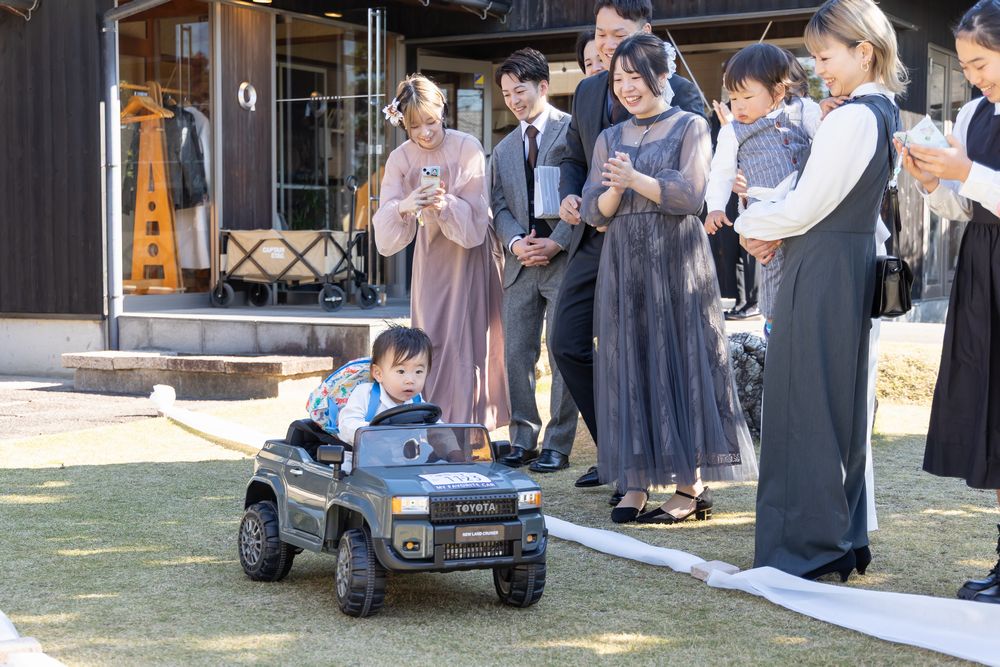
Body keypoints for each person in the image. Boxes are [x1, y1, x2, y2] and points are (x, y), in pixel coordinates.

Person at [735, 0, 905, 580]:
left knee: (803, 402)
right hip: (845, 260)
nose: (818, 69)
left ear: (865, 52)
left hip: (823, 262)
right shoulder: (880, 112)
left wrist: (750, 225)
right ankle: (839, 538)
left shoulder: (853, 118)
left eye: (826, 57)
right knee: (836, 405)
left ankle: (809, 546)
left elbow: (807, 204)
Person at [580, 33, 758, 524]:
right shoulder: (609, 137)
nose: (626, 88)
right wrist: (615, 189)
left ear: (661, 76)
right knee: (629, 361)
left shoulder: (690, 125)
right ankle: (635, 480)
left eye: (635, 77)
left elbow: (690, 197)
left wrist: (635, 180)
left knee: (681, 357)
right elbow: (595, 210)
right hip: (624, 261)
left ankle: (690, 485)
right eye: (618, 79)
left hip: (676, 258)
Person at [551, 0, 706, 485]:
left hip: (660, 242)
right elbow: (574, 156)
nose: (606, 43)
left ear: (646, 31)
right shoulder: (588, 88)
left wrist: (630, 189)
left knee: (658, 349)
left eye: (617, 33)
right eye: (600, 33)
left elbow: (692, 177)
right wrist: (573, 196)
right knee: (566, 341)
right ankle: (620, 452)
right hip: (597, 237)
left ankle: (665, 466)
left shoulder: (681, 92)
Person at [903, 0, 1000, 605]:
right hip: (984, 269)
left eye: (981, 63)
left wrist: (967, 170)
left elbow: (978, 181)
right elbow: (963, 208)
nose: (972, 76)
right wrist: (933, 181)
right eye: (965, 66)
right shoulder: (972, 112)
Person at [372, 75, 510, 431]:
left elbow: (477, 217)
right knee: (428, 339)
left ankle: (468, 430)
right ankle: (430, 425)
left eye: (430, 122)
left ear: (443, 112)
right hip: (430, 255)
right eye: (414, 126)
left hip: (470, 255)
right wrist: (406, 205)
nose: (425, 133)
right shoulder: (400, 158)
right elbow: (385, 231)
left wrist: (445, 202)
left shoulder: (467, 146)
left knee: (466, 341)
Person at [490, 49, 579, 469]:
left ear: (543, 86)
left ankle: (558, 444)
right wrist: (514, 243)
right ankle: (522, 438)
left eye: (519, 90)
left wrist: (557, 242)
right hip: (519, 265)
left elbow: (587, 192)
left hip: (564, 260)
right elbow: (498, 205)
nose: (513, 100)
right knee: (516, 355)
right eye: (506, 93)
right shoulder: (504, 148)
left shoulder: (573, 131)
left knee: (562, 352)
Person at [704, 43, 822, 337]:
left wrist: (829, 110)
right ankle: (773, 321)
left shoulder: (801, 111)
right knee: (771, 261)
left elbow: (824, 134)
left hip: (804, 201)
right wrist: (715, 207)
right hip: (765, 206)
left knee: (807, 264)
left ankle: (806, 318)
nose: (738, 106)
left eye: (747, 97)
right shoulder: (732, 131)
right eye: (733, 98)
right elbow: (720, 172)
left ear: (778, 93)